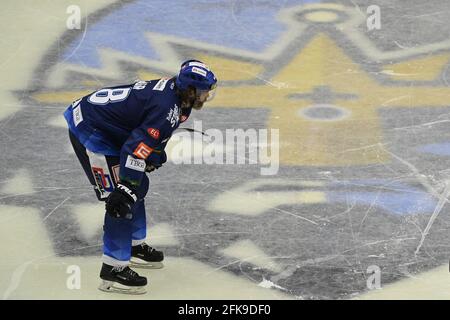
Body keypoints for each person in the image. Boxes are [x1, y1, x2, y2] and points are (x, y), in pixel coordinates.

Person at [63, 60, 217, 294]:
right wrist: (127, 185)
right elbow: (135, 149)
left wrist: (153, 155)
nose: (207, 96)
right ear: (191, 91)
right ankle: (113, 268)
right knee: (120, 199)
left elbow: (147, 133)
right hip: (92, 131)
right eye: (205, 91)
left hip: (107, 126)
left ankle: (133, 246)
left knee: (138, 185)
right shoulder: (167, 109)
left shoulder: (178, 99)